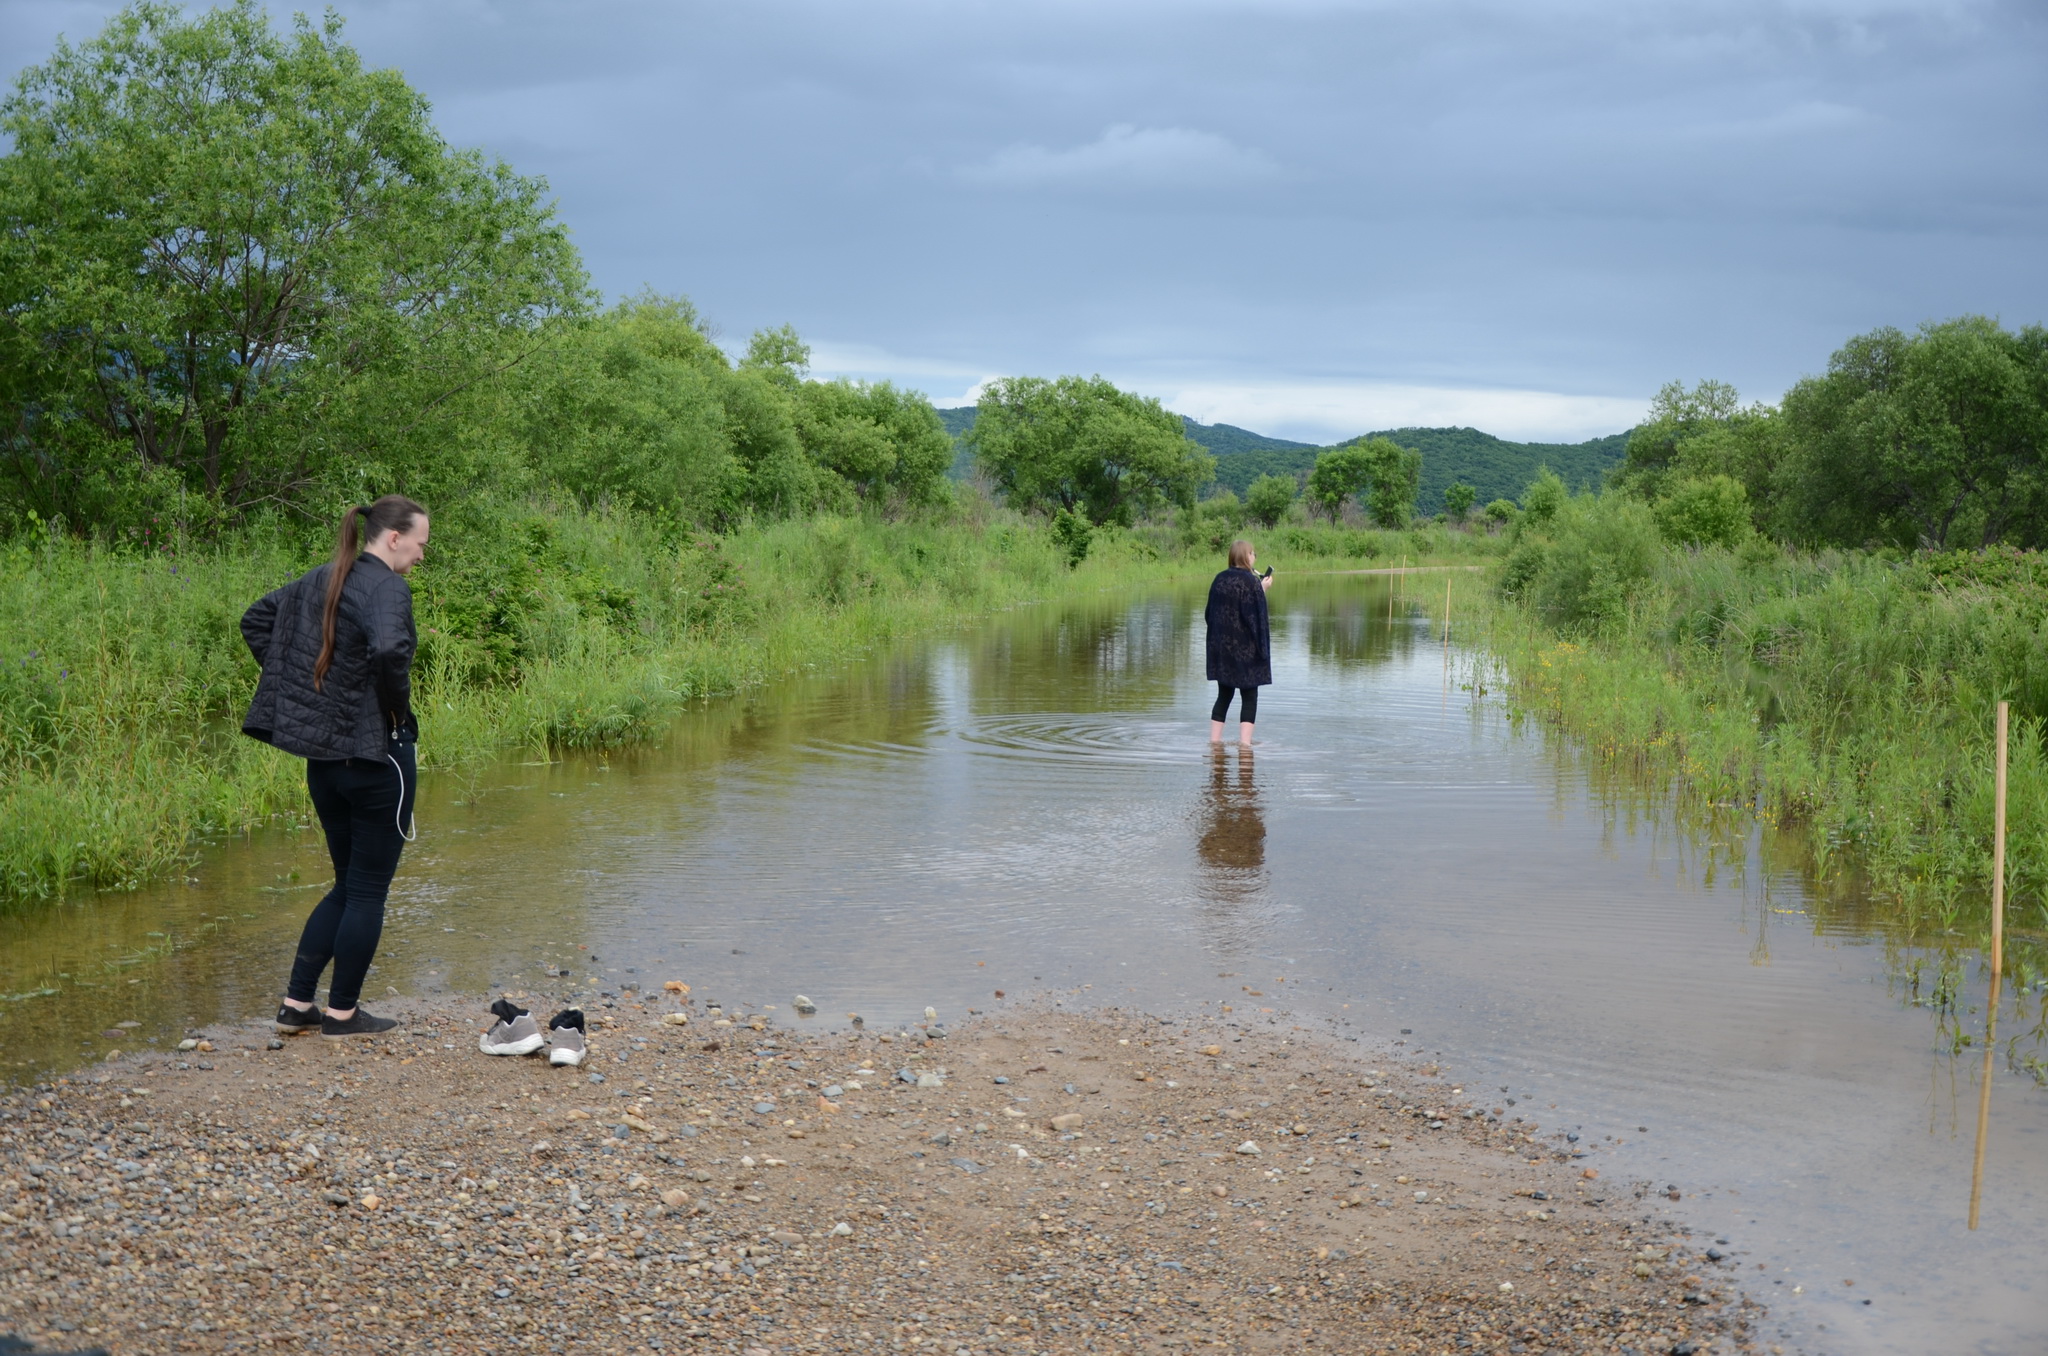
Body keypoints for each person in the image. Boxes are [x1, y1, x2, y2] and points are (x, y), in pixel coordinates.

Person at [241, 495, 428, 1039]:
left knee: (346, 886)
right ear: (393, 538)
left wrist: (313, 695)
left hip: (324, 764)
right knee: (367, 891)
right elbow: (391, 649)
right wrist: (393, 712)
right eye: (420, 545)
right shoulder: (385, 586)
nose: (420, 556)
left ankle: (297, 1005)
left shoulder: (323, 577)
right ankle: (343, 1014)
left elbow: (257, 621)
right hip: (377, 761)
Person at [1205, 539, 1273, 745]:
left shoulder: (1219, 579)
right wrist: (1261, 590)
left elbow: (1209, 614)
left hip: (1222, 650)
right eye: (1252, 553)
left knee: (1224, 695)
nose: (1254, 557)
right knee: (1249, 697)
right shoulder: (1251, 583)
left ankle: (1214, 743)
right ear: (1244, 556)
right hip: (1246, 650)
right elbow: (1256, 618)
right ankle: (1245, 746)